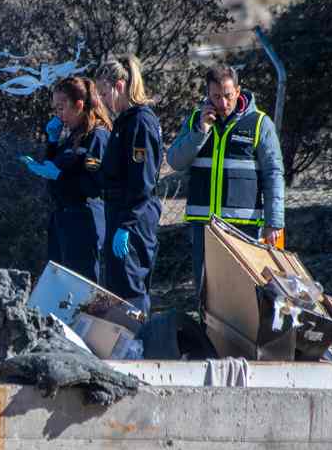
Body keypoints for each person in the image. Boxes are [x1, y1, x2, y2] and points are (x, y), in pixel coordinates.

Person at [165, 64, 285, 292]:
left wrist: (274, 222)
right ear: (207, 95)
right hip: (205, 228)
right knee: (206, 291)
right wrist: (201, 131)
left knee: (243, 291)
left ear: (238, 91)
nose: (222, 103)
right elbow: (175, 161)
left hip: (243, 227)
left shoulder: (260, 124)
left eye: (228, 96)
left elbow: (274, 174)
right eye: (216, 96)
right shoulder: (194, 122)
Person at [21, 76, 112, 284]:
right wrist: (52, 143)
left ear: (79, 105)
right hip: (63, 219)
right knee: (60, 286)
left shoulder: (96, 136)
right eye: (55, 109)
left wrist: (59, 176)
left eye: (61, 108)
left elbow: (93, 185)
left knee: (81, 286)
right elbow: (58, 166)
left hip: (84, 221)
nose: (58, 114)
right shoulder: (73, 136)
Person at [93, 54, 163, 316]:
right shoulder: (124, 122)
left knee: (131, 287)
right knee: (117, 285)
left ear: (119, 86)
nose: (101, 100)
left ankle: (137, 346)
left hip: (132, 219)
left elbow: (142, 181)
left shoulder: (140, 122)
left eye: (103, 92)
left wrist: (126, 225)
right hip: (118, 212)